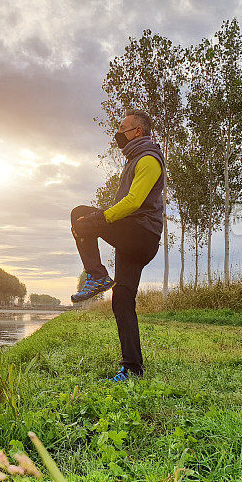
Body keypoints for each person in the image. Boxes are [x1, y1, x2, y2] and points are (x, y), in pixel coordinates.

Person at [70, 109, 164, 382]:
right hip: (131, 240)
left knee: (80, 215)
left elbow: (134, 201)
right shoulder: (133, 159)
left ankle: (97, 275)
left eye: (122, 128)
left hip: (142, 234)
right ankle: (132, 367)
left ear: (138, 131)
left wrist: (102, 219)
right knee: (122, 300)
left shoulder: (149, 159)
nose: (118, 133)